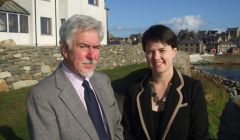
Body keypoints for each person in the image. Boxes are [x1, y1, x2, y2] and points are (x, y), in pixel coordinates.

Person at [27, 14, 123, 140]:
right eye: (83, 46)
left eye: (96, 47)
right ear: (65, 50)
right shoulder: (42, 96)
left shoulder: (103, 81)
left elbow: (116, 127)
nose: (92, 55)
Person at [121, 24, 208, 140]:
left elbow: (200, 136)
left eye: (162, 50)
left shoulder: (192, 89)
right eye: (150, 52)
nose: (156, 57)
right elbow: (128, 132)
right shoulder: (134, 89)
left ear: (174, 51)